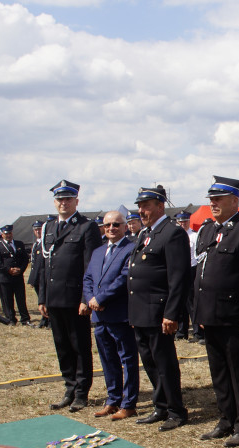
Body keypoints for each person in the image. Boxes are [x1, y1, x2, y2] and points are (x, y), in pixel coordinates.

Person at [193, 176, 239, 446]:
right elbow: (200, 272)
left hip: (233, 316)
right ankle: (226, 419)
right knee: (218, 372)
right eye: (211, 200)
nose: (213, 204)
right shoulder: (207, 230)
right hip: (210, 314)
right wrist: (197, 313)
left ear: (235, 200)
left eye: (219, 199)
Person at [129, 185, 191, 431]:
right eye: (140, 206)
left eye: (146, 206)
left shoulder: (172, 233)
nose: (142, 210)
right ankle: (160, 406)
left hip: (158, 312)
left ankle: (176, 410)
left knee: (165, 363)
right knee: (150, 362)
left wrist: (171, 313)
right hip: (140, 312)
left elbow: (179, 278)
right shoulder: (145, 233)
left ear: (160, 206)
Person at [38, 179, 102, 412]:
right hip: (54, 298)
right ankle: (69, 387)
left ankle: (82, 392)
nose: (63, 203)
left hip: (75, 299)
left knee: (79, 345)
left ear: (76, 200)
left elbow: (90, 266)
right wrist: (42, 298)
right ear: (55, 202)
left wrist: (86, 298)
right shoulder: (49, 228)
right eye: (59, 199)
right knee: (62, 345)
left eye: (68, 199)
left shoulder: (86, 227)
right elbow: (46, 265)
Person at [83, 210, 140, 420]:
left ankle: (129, 403)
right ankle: (113, 400)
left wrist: (101, 299)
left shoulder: (131, 249)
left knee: (128, 359)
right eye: (107, 225)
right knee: (108, 360)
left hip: (119, 314)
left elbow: (124, 278)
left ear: (125, 226)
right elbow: (88, 278)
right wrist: (90, 299)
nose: (111, 229)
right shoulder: (98, 251)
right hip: (99, 316)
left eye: (116, 224)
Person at [0, 224, 32, 326]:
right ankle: (11, 319)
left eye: (10, 233)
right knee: (8, 300)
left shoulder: (19, 244)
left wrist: (20, 270)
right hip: (5, 278)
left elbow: (25, 259)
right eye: (6, 234)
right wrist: (9, 270)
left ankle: (25, 319)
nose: (8, 235)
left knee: (21, 299)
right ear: (2, 234)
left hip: (18, 277)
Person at [174, 211, 200, 342]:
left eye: (185, 221)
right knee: (179, 302)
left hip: (191, 269)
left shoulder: (194, 236)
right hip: (177, 270)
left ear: (189, 221)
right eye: (180, 221)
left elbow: (197, 254)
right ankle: (181, 331)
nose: (182, 223)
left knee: (191, 302)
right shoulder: (174, 236)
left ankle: (197, 332)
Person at [27, 220, 48, 328]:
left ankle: (46, 321)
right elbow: (34, 263)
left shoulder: (45, 243)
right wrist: (32, 279)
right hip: (37, 278)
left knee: (45, 300)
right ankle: (44, 320)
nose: (37, 231)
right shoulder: (36, 244)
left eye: (39, 229)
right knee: (40, 300)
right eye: (35, 229)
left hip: (44, 277)